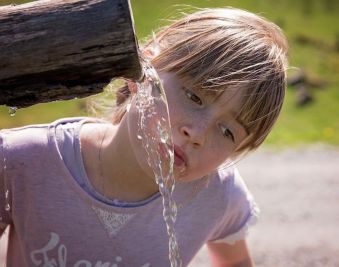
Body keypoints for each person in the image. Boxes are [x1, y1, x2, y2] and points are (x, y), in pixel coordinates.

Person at [0, 7, 288, 267]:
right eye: (194, 97)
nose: (197, 134)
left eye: (227, 131)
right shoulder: (22, 161)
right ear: (144, 68)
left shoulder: (217, 194)